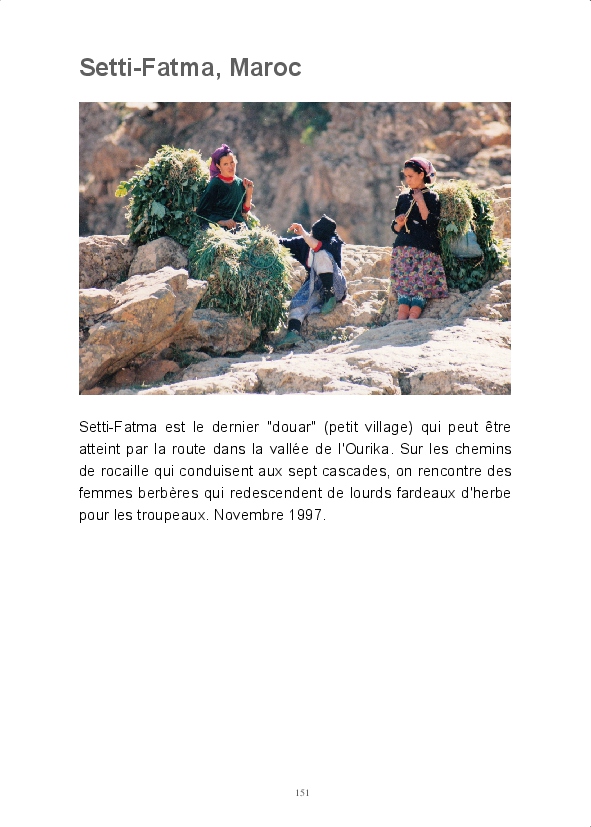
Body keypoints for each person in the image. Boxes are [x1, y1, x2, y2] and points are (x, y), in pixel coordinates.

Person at [275, 215, 347, 349]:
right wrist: (267, 239)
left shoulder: (333, 242)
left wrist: (303, 233)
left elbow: (318, 247)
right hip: (315, 285)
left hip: (335, 284)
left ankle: (329, 296)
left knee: (321, 254)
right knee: (297, 302)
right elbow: (283, 243)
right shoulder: (304, 244)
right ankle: (293, 333)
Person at [390, 156, 448, 319]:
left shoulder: (432, 197)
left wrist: (421, 201)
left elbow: (431, 223)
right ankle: (402, 315)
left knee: (419, 286)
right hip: (403, 247)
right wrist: (400, 223)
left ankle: (414, 313)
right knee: (404, 287)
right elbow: (395, 228)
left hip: (424, 248)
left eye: (411, 176)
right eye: (405, 176)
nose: (407, 180)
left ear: (421, 174)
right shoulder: (403, 198)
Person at [196, 143, 254, 229]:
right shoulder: (215, 184)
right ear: (218, 166)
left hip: (239, 227)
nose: (230, 167)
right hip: (218, 227)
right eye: (225, 164)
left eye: (232, 162)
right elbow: (202, 212)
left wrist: (249, 193)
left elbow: (244, 210)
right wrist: (223, 222)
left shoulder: (240, 183)